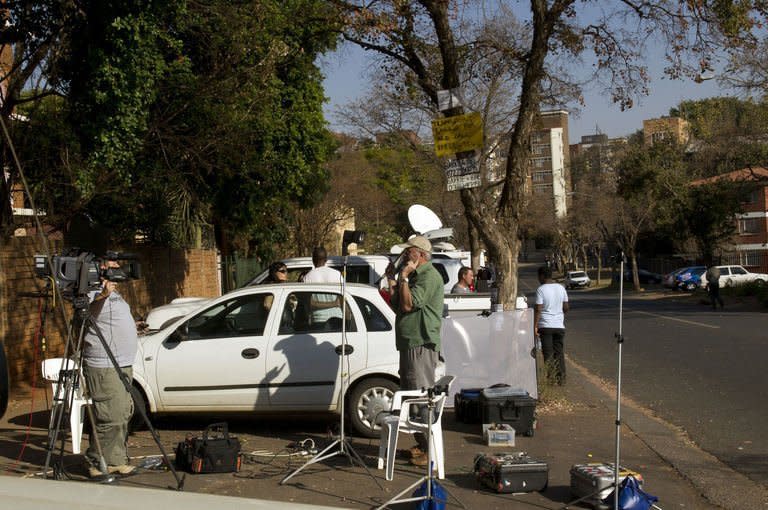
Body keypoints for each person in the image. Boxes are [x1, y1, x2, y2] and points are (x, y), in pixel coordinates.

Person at [390, 236, 444, 467]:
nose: (404, 255)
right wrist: (395, 280)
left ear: (419, 254)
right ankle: (422, 445)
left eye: (408, 252)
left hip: (420, 342)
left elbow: (409, 305)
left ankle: (430, 449)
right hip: (410, 342)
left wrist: (403, 278)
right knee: (412, 395)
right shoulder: (414, 276)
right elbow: (397, 304)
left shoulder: (429, 276)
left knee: (420, 397)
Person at [83, 260, 138, 477]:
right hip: (105, 364)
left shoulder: (114, 291)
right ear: (100, 269)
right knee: (109, 416)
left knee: (123, 413)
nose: (118, 271)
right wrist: (103, 293)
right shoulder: (90, 290)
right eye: (112, 267)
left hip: (122, 362)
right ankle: (97, 462)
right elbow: (87, 312)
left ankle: (115, 460)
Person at [534, 265, 569, 386]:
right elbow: (566, 307)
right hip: (559, 326)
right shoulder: (561, 288)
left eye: (539, 276)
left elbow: (538, 309)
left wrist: (535, 325)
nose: (538, 279)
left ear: (542, 276)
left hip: (546, 326)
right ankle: (562, 379)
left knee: (548, 354)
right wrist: (558, 314)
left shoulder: (541, 289)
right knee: (559, 353)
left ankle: (551, 379)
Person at [302, 247, 343, 324]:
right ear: (326, 259)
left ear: (313, 260)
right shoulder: (337, 274)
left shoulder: (307, 277)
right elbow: (343, 299)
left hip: (318, 320)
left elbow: (309, 303)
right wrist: (334, 304)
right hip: (338, 318)